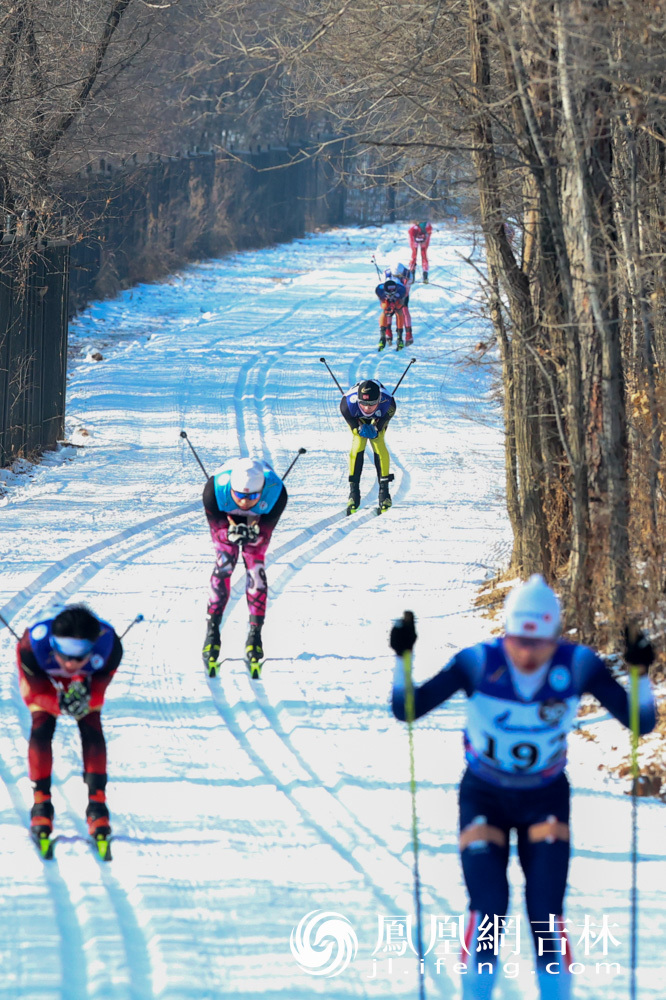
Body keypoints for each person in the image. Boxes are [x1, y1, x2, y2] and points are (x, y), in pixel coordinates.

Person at [390, 575, 656, 1000]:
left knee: (546, 913)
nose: (528, 654)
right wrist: (403, 657)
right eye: (519, 642)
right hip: (485, 795)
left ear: (555, 636)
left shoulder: (577, 664)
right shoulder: (477, 662)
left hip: (544, 797)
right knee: (490, 907)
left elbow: (640, 722)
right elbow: (407, 709)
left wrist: (641, 672)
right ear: (506, 632)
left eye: (540, 644)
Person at [17, 604, 123, 843]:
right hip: (43, 674)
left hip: (87, 677)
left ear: (93, 646)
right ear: (54, 644)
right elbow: (33, 693)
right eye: (64, 653)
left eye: (79, 655)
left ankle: (98, 806)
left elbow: (99, 692)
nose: (70, 662)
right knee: (42, 726)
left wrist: (84, 695)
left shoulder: (110, 647)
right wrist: (59, 704)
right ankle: (41, 804)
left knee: (91, 723)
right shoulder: (31, 645)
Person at [202, 456, 288, 675]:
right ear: (231, 489)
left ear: (261, 491)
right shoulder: (214, 491)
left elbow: (264, 534)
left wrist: (255, 533)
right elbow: (218, 532)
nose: (244, 502)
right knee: (224, 563)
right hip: (225, 513)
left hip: (260, 516)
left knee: (255, 565)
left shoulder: (277, 493)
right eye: (239, 495)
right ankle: (212, 632)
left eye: (251, 497)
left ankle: (255, 635)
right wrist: (228, 533)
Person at [340, 378, 396, 514]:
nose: (367, 407)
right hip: (356, 417)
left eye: (371, 404)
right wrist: (357, 429)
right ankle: (354, 493)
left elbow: (381, 424)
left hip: (379, 416)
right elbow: (353, 426)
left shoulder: (389, 405)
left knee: (378, 443)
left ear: (379, 400)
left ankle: (384, 493)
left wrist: (377, 428)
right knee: (358, 442)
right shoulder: (347, 405)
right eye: (363, 403)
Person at [375, 275, 409, 352]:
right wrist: (388, 304)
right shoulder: (380, 290)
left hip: (399, 298)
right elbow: (383, 305)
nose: (390, 292)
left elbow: (402, 302)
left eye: (392, 291)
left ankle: (400, 337)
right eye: (389, 292)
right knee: (385, 309)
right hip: (386, 300)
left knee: (399, 311)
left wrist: (395, 302)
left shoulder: (402, 290)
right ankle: (382, 336)